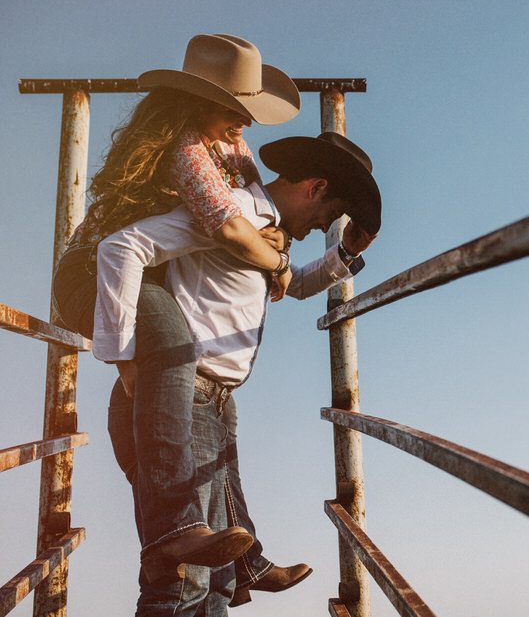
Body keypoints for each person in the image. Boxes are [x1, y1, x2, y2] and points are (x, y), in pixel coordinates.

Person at [51, 34, 308, 589]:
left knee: (176, 335)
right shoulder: (186, 151)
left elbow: (262, 224)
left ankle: (238, 557)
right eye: (233, 112)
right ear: (199, 105)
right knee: (171, 332)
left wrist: (281, 254)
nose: (245, 126)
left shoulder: (230, 150)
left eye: (247, 112)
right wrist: (123, 360)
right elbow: (235, 231)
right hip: (89, 274)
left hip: (138, 278)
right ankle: (176, 527)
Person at [95, 131, 381, 615]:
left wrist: (345, 255)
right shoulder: (235, 216)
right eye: (329, 216)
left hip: (214, 400)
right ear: (315, 188)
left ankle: (251, 565)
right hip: (183, 394)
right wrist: (124, 356)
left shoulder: (268, 232)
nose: (320, 227)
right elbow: (123, 249)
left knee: (218, 579)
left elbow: (295, 284)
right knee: (184, 579)